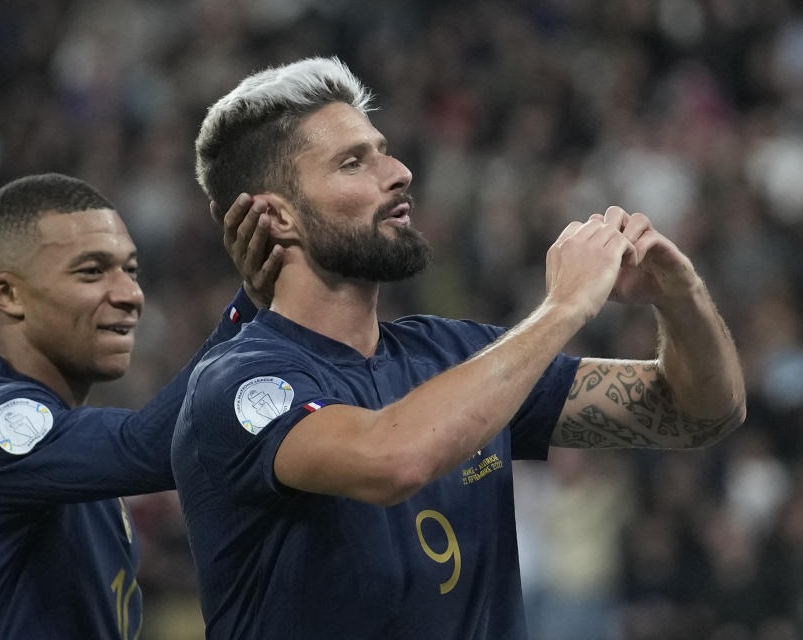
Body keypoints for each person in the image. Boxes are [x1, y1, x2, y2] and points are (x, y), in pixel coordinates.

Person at [172, 57, 746, 639]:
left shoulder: (455, 353)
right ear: (279, 217)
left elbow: (696, 415)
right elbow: (392, 460)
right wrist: (564, 307)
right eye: (353, 162)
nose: (398, 171)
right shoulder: (238, 385)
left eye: (384, 150)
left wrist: (681, 295)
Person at [0, 173, 281, 639]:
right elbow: (153, 447)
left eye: (131, 270)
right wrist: (254, 303)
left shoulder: (78, 466)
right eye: (91, 271)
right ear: (7, 294)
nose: (130, 295)